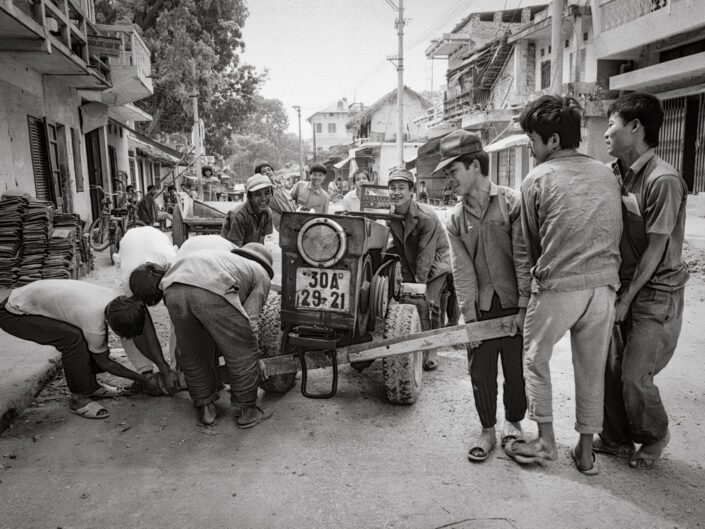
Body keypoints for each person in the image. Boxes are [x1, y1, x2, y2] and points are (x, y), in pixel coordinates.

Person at [506, 95, 622, 475]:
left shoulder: (537, 178)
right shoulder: (607, 173)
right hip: (604, 287)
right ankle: (586, 453)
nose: (530, 148)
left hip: (559, 285)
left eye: (532, 140)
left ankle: (546, 441)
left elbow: (531, 242)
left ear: (553, 141)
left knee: (535, 358)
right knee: (591, 368)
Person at [597, 93, 689, 470]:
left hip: (656, 292)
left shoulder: (663, 180)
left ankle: (654, 436)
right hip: (622, 283)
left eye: (612, 125)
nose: (605, 134)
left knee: (635, 375)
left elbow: (655, 250)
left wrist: (626, 299)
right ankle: (616, 438)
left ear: (635, 127)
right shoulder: (615, 172)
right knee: (610, 366)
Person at [434, 130, 530, 463]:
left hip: (514, 304)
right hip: (482, 307)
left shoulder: (512, 202)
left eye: (453, 171)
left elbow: (522, 256)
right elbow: (461, 271)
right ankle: (487, 430)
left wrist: (523, 307)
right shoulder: (455, 219)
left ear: (474, 165)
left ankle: (513, 423)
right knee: (481, 372)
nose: (450, 180)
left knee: (516, 371)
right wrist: (469, 316)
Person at [129, 243, 275, 428]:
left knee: (193, 353)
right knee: (242, 351)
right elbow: (250, 323)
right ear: (266, 265)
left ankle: (207, 409)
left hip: (173, 291)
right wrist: (255, 356)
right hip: (210, 289)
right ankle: (247, 412)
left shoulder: (225, 260)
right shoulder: (260, 274)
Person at [0, 280, 178, 419]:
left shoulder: (117, 301)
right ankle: (78, 398)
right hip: (14, 313)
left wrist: (161, 367)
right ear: (114, 328)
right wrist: (141, 378)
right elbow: (104, 362)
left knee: (86, 338)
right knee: (73, 339)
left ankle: (91, 386)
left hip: (26, 298)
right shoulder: (93, 322)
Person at [386, 167, 456, 371]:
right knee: (407, 298)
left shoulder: (427, 216)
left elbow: (426, 256)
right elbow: (395, 245)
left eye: (401, 188)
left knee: (428, 301)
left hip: (436, 259)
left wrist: (418, 286)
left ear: (411, 192)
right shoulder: (390, 215)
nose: (396, 192)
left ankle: (431, 349)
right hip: (411, 259)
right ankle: (414, 342)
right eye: (392, 188)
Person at [221, 173, 273, 247]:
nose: (264, 198)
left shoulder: (267, 212)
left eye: (267, 193)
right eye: (258, 194)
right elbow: (236, 249)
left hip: (251, 252)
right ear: (250, 196)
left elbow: (262, 241)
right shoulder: (239, 216)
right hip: (231, 253)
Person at [255, 162, 295, 231]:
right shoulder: (265, 191)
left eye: (269, 169)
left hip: (293, 222)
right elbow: (281, 208)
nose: (267, 172)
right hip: (283, 226)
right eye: (264, 172)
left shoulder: (280, 187)